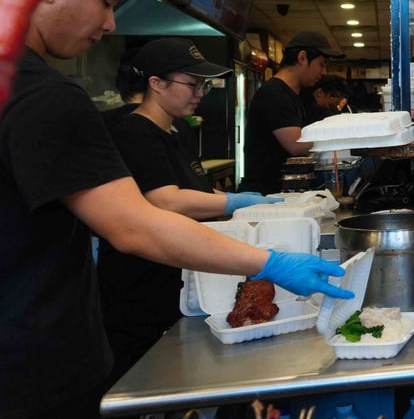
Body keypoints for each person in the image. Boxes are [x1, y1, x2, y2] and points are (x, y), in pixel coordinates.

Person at [0, 0, 353, 419]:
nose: (110, 26)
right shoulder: (46, 98)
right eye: (107, 2)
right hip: (34, 369)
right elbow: (135, 225)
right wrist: (268, 263)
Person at [100, 37, 283, 386]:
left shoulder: (177, 128)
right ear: (156, 83)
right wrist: (233, 202)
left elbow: (194, 189)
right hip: (141, 282)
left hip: (178, 272)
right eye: (192, 83)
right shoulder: (135, 132)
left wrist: (245, 204)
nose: (200, 92)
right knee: (144, 381)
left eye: (204, 84)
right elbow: (166, 200)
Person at [239, 31, 342, 194]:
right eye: (321, 64)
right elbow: (296, 145)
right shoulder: (274, 94)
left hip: (280, 191)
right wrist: (342, 135)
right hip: (263, 194)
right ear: (302, 58)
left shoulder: (294, 94)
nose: (323, 72)